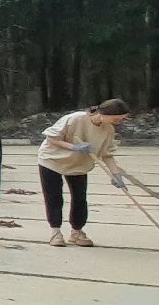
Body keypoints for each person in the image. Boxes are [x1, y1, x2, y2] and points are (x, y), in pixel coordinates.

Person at [36, 99, 131, 248]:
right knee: (54, 197)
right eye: (117, 118)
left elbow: (107, 154)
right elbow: (52, 138)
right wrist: (74, 147)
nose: (119, 121)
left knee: (80, 198)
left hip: (78, 165)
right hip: (52, 160)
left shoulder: (108, 129)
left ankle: (77, 232)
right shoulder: (75, 119)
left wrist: (115, 174)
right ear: (103, 113)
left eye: (121, 119)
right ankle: (55, 232)